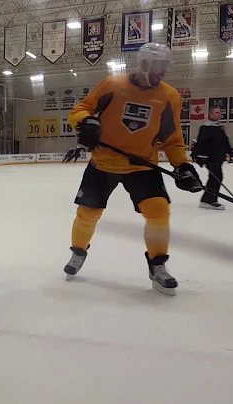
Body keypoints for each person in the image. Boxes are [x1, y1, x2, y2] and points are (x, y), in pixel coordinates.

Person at [64, 42, 203, 296]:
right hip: (103, 163)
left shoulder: (169, 96)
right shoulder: (113, 84)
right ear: (145, 64)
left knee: (159, 211)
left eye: (166, 66)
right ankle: (78, 252)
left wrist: (182, 164)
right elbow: (80, 109)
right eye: (160, 65)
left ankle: (157, 266)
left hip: (142, 165)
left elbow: (171, 138)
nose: (164, 71)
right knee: (88, 213)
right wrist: (86, 122)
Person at [191, 107, 233, 210]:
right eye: (216, 113)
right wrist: (202, 157)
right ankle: (209, 200)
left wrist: (230, 152)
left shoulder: (219, 127)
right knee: (216, 178)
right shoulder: (206, 127)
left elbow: (225, 142)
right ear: (210, 114)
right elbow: (201, 143)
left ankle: (208, 199)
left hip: (218, 158)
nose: (219, 114)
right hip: (211, 158)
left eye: (219, 112)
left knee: (216, 178)